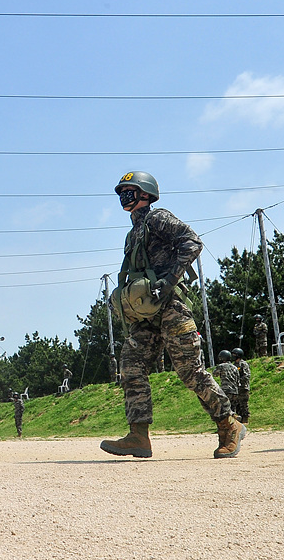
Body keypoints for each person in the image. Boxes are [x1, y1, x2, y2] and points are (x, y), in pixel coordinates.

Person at [101, 171, 244, 460]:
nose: (124, 196)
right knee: (131, 365)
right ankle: (139, 436)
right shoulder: (133, 234)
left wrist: (168, 281)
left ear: (146, 194)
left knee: (190, 371)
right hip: (147, 315)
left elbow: (192, 241)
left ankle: (229, 425)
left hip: (172, 308)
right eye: (121, 192)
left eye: (130, 190)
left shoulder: (158, 218)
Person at [213, 350, 242, 416]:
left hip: (226, 391)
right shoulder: (235, 367)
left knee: (225, 409)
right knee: (233, 408)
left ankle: (227, 424)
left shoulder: (221, 366)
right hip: (235, 391)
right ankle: (235, 422)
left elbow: (215, 374)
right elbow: (238, 380)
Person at [231, 348, 251, 424]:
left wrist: (239, 381)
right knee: (237, 404)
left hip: (243, 387)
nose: (233, 356)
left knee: (243, 404)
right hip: (236, 388)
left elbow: (247, 375)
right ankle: (239, 420)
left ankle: (245, 418)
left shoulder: (243, 364)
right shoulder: (233, 365)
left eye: (234, 355)